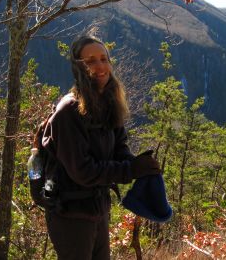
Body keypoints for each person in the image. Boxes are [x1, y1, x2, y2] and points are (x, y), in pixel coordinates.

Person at [41, 35, 161, 260]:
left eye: (104, 59)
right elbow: (83, 171)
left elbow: (119, 148)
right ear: (78, 67)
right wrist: (130, 170)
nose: (100, 66)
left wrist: (138, 164)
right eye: (91, 61)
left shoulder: (108, 103)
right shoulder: (69, 111)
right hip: (70, 213)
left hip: (98, 209)